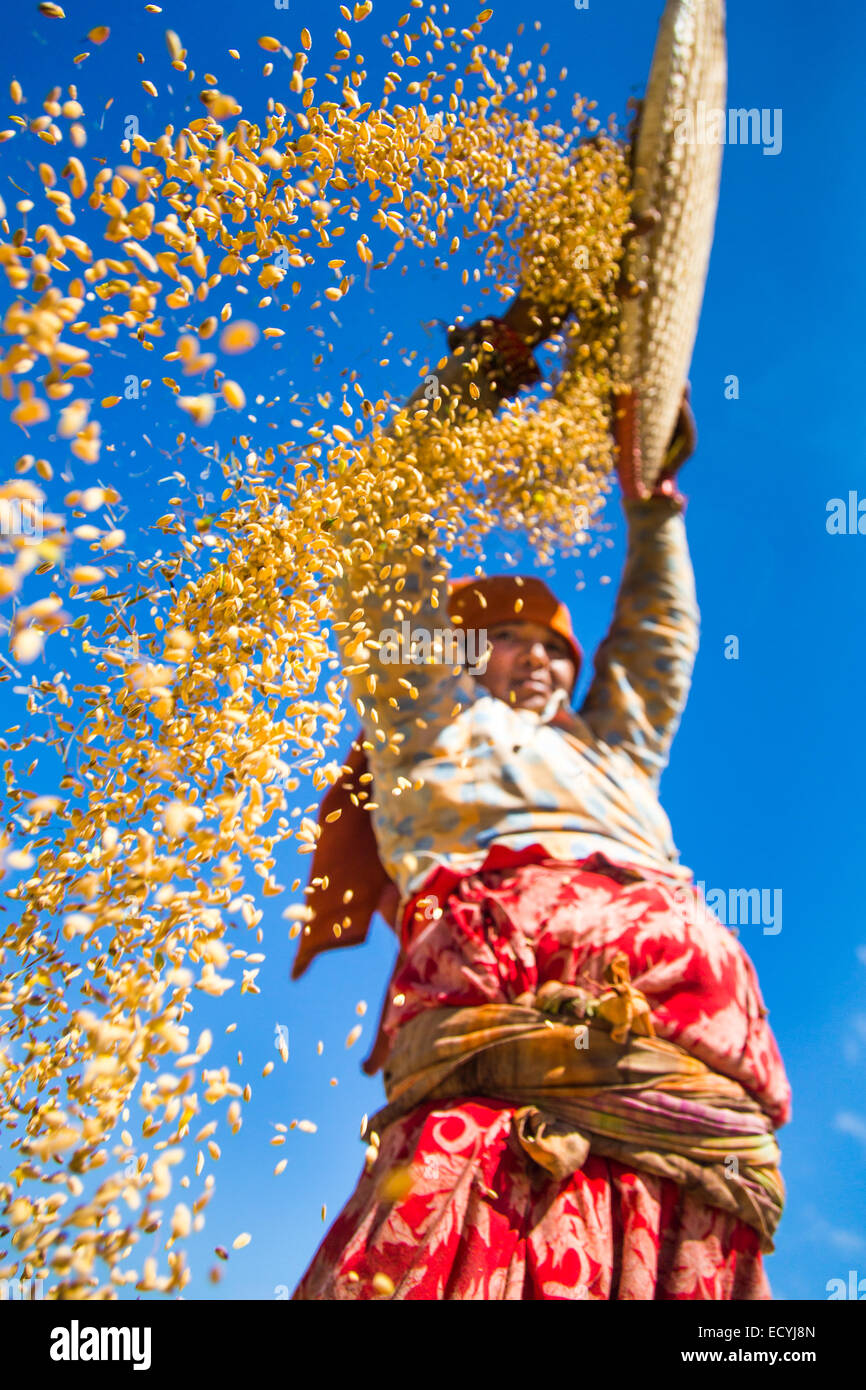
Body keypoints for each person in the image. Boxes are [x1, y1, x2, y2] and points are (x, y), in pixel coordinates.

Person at [290, 290, 791, 1301]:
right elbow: (384, 562)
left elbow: (656, 645)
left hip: (682, 1072)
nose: (544, 661)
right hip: (502, 1053)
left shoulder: (612, 759)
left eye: (559, 648)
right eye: (516, 639)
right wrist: (457, 401)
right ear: (465, 653)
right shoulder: (430, 729)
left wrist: (650, 504)